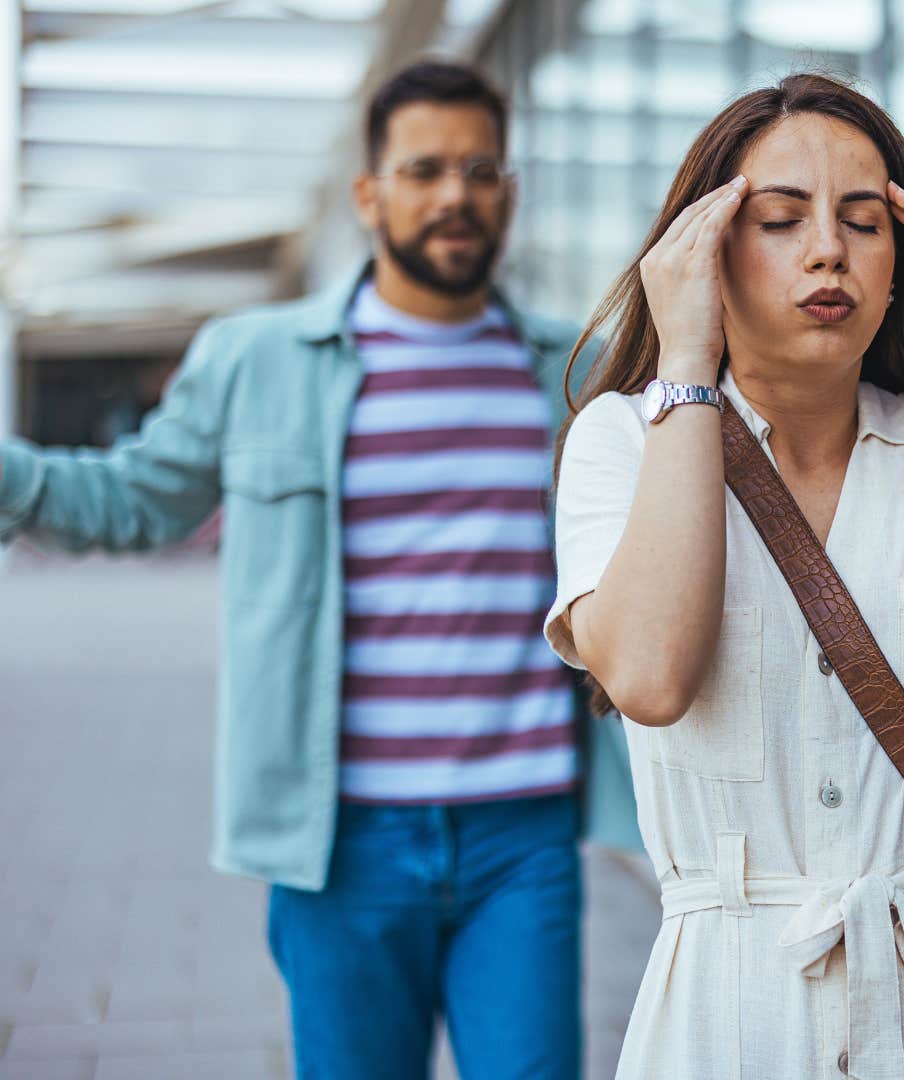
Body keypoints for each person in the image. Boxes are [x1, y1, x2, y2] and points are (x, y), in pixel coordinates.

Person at [0, 59, 642, 1079]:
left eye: (481, 170)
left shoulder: (579, 371)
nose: (455, 196)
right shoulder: (255, 362)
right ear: (369, 194)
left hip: (522, 839)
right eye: (424, 169)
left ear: (510, 192)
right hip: (339, 843)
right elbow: (130, 503)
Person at [544, 72, 904, 1078]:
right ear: (704, 248)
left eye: (863, 220)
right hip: (730, 1013)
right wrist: (684, 358)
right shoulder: (625, 440)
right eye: (779, 220)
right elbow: (650, 677)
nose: (827, 251)